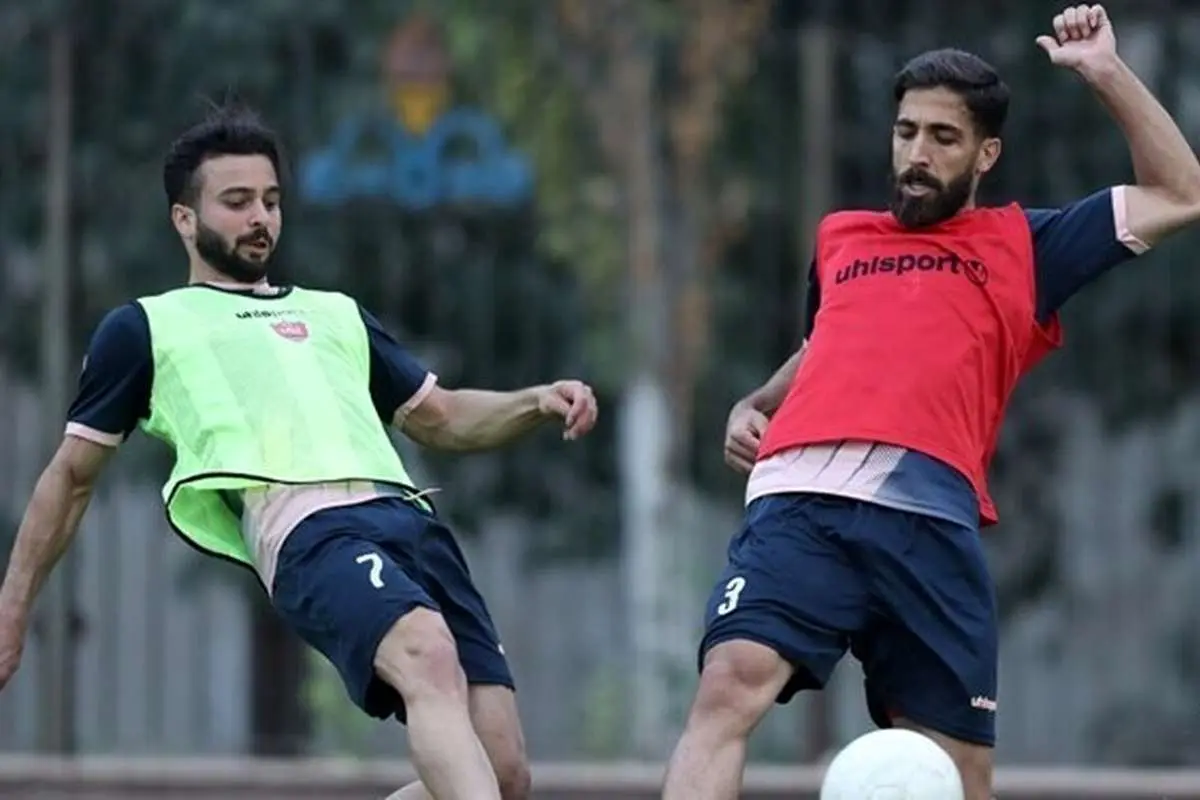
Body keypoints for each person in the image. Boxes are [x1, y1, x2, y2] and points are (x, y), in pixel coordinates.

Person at [661, 6, 1200, 800]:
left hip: (931, 525)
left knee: (960, 774)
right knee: (728, 683)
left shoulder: (1030, 246)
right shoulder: (841, 238)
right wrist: (757, 401)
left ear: (986, 154)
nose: (917, 154)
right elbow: (829, 341)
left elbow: (1181, 192)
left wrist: (1105, 73)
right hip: (803, 500)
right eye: (906, 132)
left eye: (943, 138)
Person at [0, 105, 598, 800]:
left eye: (271, 200)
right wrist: (13, 610)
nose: (260, 217)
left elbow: (442, 418)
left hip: (411, 523)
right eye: (236, 202)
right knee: (427, 654)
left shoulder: (335, 313)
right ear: (184, 219)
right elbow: (70, 479)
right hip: (309, 530)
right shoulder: (143, 328)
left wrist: (535, 401)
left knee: (503, 771)